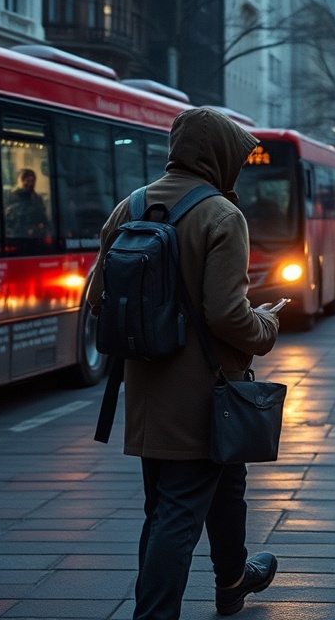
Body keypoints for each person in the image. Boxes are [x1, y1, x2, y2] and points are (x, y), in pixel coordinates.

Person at [87, 108, 281, 620]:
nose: (238, 170)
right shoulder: (222, 215)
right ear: (216, 155)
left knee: (219, 487)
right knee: (176, 514)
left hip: (150, 391)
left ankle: (234, 580)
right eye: (236, 160)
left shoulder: (129, 205)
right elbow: (227, 313)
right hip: (207, 392)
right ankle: (155, 614)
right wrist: (265, 326)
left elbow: (95, 300)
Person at [4, 168, 49, 239]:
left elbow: (42, 219)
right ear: (20, 181)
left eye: (32, 181)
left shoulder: (36, 198)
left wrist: (35, 230)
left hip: (32, 238)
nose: (30, 184)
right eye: (27, 181)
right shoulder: (9, 196)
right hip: (14, 236)